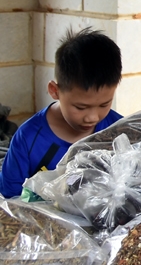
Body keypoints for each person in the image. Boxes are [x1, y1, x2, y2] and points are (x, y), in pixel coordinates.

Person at [0, 28, 123, 198]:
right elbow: (10, 195)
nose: (93, 117)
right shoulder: (28, 137)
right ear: (54, 91)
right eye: (81, 107)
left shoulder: (119, 130)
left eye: (104, 104)